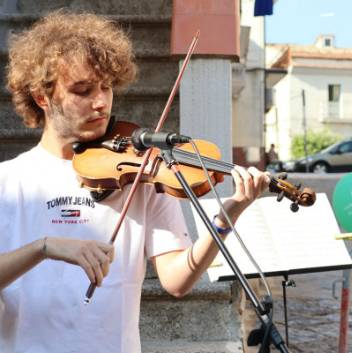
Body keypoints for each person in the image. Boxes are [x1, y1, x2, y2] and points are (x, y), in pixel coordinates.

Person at [0, 11, 270, 353]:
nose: (100, 102)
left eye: (106, 87)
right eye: (82, 90)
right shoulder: (8, 182)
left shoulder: (142, 174)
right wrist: (44, 247)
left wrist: (225, 218)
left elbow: (176, 280)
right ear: (43, 97)